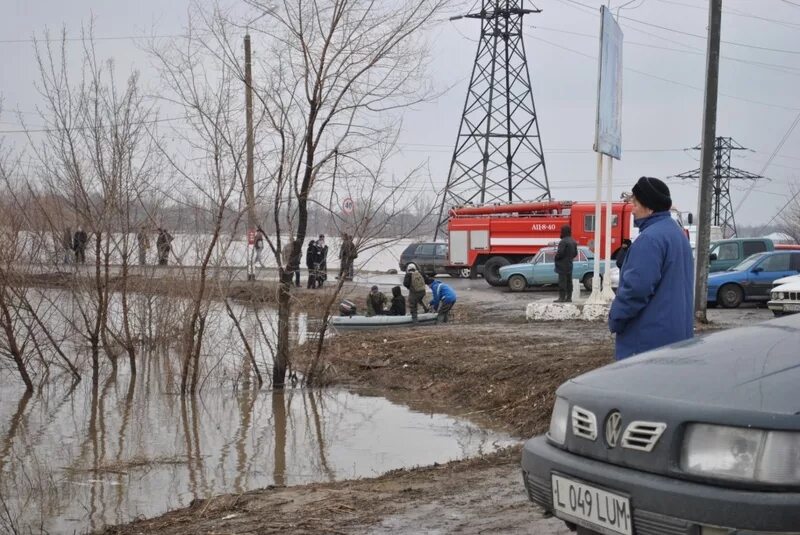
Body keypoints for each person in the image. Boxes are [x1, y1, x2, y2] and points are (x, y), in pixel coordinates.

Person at [609, 176, 693, 360]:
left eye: (636, 205)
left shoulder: (650, 239)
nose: (632, 210)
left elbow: (636, 289)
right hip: (676, 335)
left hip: (648, 341)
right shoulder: (676, 234)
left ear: (649, 207)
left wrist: (615, 318)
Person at [554, 225, 578, 303]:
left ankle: (562, 297)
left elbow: (560, 253)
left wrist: (556, 257)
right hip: (570, 264)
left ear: (563, 232)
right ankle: (569, 297)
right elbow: (575, 253)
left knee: (562, 282)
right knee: (569, 281)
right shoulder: (573, 241)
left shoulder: (563, 241)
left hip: (562, 265)